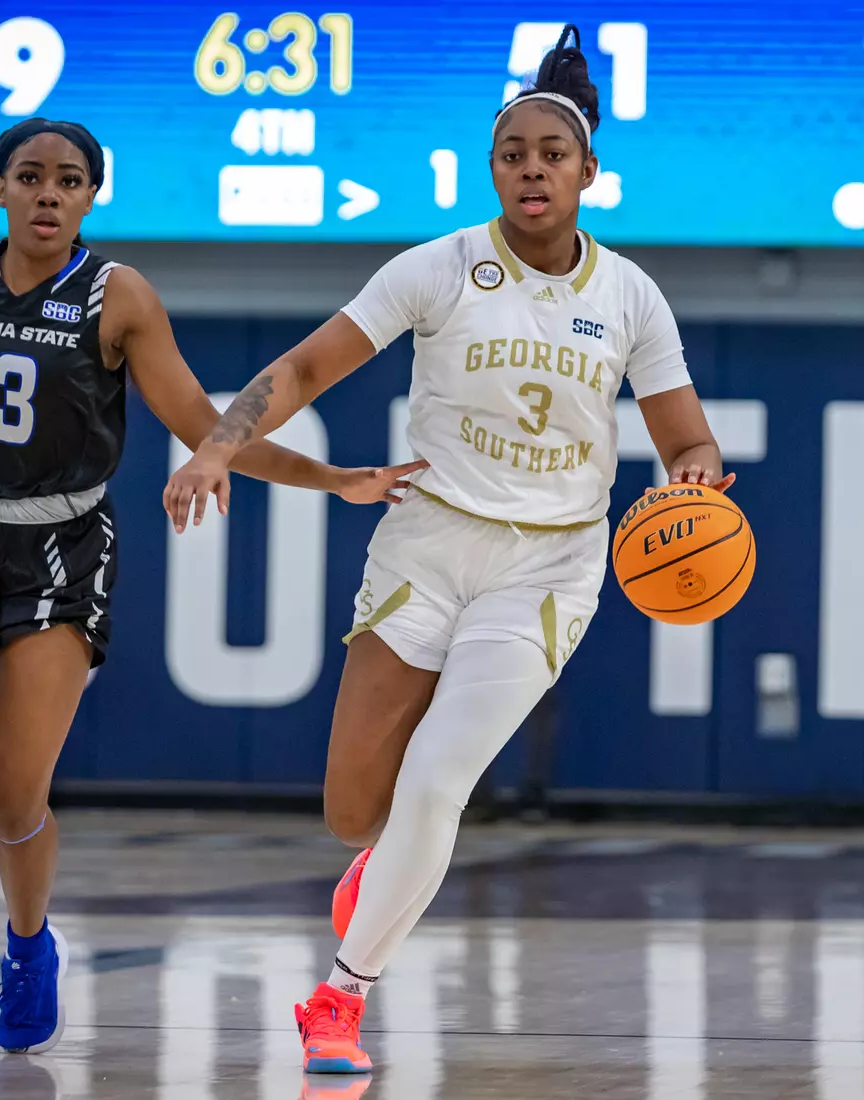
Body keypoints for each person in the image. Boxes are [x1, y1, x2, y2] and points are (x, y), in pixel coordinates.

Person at [0, 116, 426, 1056]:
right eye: (29, 176)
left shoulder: (119, 296)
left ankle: (28, 946)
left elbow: (200, 418)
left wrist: (336, 478)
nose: (47, 194)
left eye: (68, 181)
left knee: (19, 795)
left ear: (89, 197)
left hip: (61, 550)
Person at [165, 26, 736, 1076]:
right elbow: (301, 368)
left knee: (438, 779)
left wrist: (693, 474)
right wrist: (218, 441)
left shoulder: (629, 297)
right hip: (425, 547)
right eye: (513, 152)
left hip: (548, 568)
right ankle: (376, 876)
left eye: (551, 153)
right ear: (493, 170)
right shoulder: (439, 267)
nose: (531, 167)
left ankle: (340, 996)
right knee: (354, 811)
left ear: (587, 173)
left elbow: (687, 435)